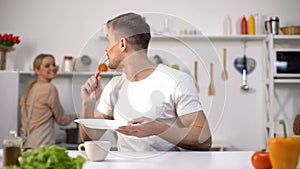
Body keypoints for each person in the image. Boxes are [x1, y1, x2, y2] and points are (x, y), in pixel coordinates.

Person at [79, 12, 212, 151]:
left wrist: (157, 128)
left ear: (122, 44)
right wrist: (88, 104)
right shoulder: (114, 86)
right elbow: (90, 137)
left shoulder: (176, 81)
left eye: (109, 40)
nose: (106, 48)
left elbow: (204, 140)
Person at [21, 54, 77, 149]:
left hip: (28, 143)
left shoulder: (32, 88)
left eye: (53, 64)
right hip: (41, 144)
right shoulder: (49, 88)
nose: (53, 68)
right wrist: (78, 116)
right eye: (47, 66)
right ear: (37, 70)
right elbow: (62, 120)